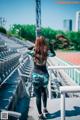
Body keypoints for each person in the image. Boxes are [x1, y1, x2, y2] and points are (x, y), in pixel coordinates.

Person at [28, 36, 56, 120]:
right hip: (44, 75)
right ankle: (45, 109)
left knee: (37, 96)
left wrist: (34, 46)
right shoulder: (46, 52)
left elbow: (26, 51)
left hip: (35, 75)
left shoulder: (33, 52)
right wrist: (51, 47)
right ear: (44, 42)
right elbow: (54, 54)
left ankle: (40, 115)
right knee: (44, 92)